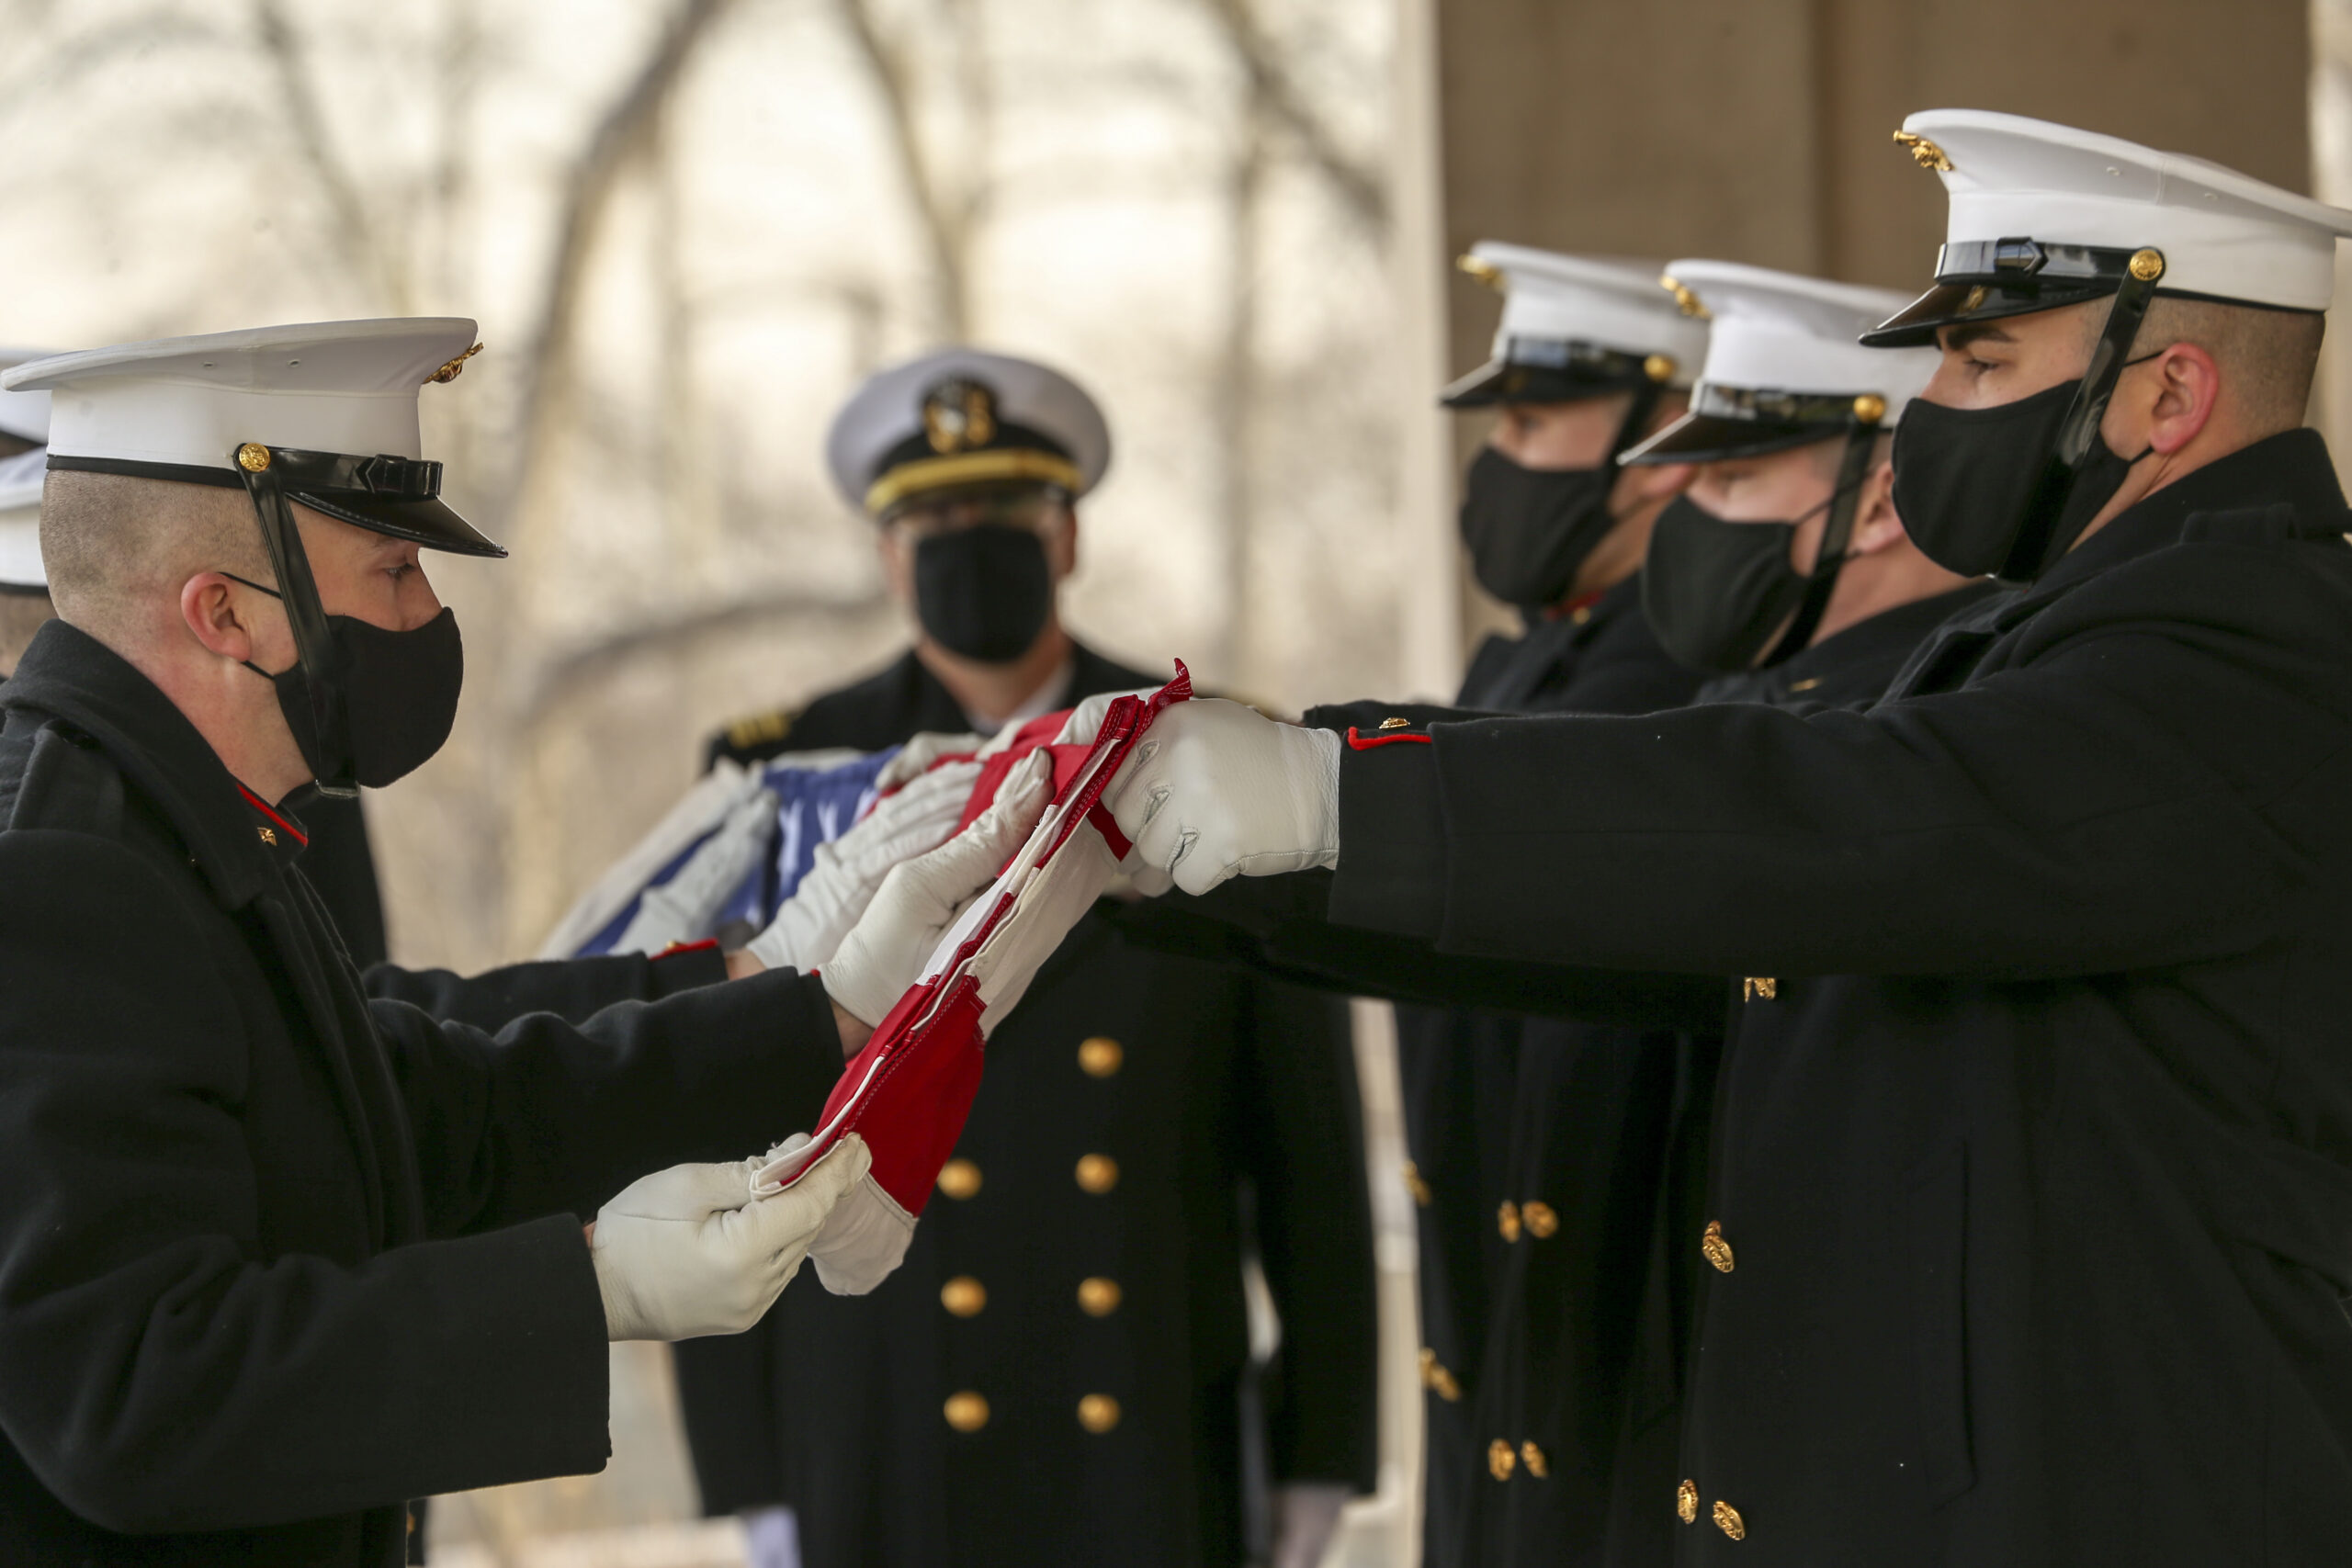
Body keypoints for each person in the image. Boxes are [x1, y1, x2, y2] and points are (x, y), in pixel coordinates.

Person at [1100, 108, 2352, 1560]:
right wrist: (1224, 862)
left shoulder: (2257, 650)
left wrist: (1336, 799)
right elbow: (1688, 924)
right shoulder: (2073, 642)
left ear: (2169, 394)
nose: (1933, 404)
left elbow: (1848, 819)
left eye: (1983, 358)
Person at [0, 319, 1063, 1567]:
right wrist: (590, 1290)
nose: (427, 613)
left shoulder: (183, 819)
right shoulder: (58, 870)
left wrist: (808, 1007)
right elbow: (137, 1393)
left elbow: (405, 1108)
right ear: (226, 612)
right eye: (393, 574)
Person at [683, 348, 1378, 1568]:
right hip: (880, 1423)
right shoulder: (782, 777)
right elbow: (711, 1117)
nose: (970, 541)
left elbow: (1304, 1138)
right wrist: (746, 1468)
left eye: (1004, 512)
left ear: (1066, 538)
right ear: (888, 553)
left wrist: (1321, 1444)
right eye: (934, 519)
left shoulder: (1211, 751)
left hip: (1147, 1416)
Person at [1401, 244, 1706, 1568]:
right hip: (1502, 1347)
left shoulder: (1671, 670)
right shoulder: (1530, 655)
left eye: (1533, 422)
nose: (1499, 462)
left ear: (1663, 441)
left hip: (1613, 1358)